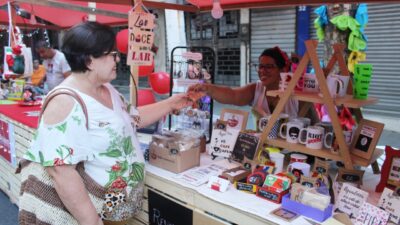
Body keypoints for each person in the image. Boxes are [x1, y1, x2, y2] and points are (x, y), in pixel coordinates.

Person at [19, 22, 192, 225]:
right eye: (112, 54)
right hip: (94, 211)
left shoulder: (107, 88)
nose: (117, 59)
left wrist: (172, 103)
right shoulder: (65, 102)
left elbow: (133, 118)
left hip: (115, 207)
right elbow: (61, 172)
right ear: (90, 60)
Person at [188, 47, 299, 127]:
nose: (262, 71)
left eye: (269, 66)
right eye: (260, 66)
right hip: (260, 150)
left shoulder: (298, 94)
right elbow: (232, 94)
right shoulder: (257, 89)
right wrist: (208, 89)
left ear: (283, 69)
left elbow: (314, 124)